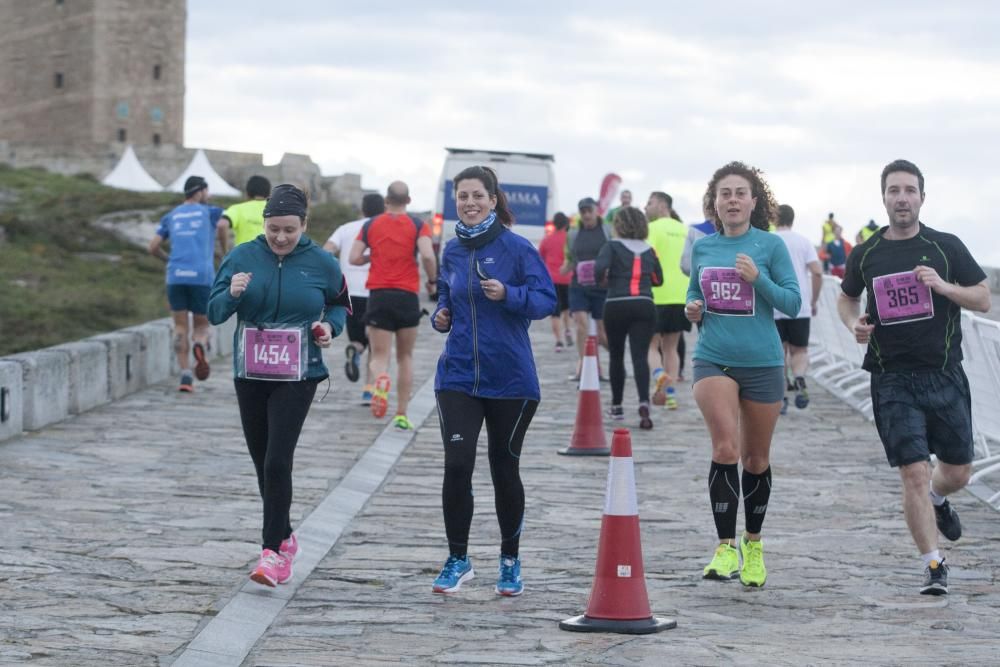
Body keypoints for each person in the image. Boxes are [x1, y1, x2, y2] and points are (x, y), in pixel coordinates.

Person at [837, 159, 990, 595]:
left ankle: (941, 500)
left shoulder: (945, 246)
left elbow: (982, 298)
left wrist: (944, 287)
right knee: (913, 474)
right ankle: (934, 563)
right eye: (893, 190)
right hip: (891, 379)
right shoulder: (866, 253)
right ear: (883, 197)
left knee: (957, 472)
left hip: (943, 374)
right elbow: (846, 300)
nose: (901, 198)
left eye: (909, 190)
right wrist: (854, 326)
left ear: (922, 196)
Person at [208, 184, 348, 587]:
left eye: (290, 229)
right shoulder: (241, 256)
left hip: (298, 373)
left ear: (304, 225)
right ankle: (285, 534)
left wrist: (328, 328)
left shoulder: (322, 262)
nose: (281, 238)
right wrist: (232, 295)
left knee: (277, 460)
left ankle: (271, 554)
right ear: (264, 225)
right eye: (274, 229)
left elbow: (340, 305)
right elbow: (214, 312)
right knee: (261, 461)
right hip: (249, 373)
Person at [430, 165, 556, 596]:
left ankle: (509, 559)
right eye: (462, 196)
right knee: (457, 465)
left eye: (477, 196)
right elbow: (445, 298)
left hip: (512, 380)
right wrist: (440, 316)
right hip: (459, 375)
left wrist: (510, 295)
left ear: (493, 198)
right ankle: (458, 559)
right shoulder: (451, 251)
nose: (469, 203)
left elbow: (546, 300)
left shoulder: (517, 249)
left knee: (504, 467)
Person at [685, 161, 801, 588]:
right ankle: (724, 547)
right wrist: (692, 307)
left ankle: (753, 544)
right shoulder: (703, 247)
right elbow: (695, 293)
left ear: (755, 201)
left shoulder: (770, 247)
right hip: (714, 356)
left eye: (740, 193)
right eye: (724, 193)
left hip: (764, 362)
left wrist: (758, 281)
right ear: (714, 203)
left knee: (756, 458)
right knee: (725, 448)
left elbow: (791, 302)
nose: (732, 200)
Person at [349, 181, 437, 431]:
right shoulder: (419, 225)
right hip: (407, 296)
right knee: (405, 356)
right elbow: (428, 255)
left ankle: (380, 379)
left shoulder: (371, 225)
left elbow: (354, 257)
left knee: (379, 356)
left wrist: (372, 254)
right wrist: (432, 282)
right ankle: (401, 413)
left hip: (379, 295)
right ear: (408, 201)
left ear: (386, 201)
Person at [148, 175, 223, 392]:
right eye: (206, 192)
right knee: (201, 325)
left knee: (180, 326)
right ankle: (199, 343)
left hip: (176, 276)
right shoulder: (210, 211)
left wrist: (168, 260)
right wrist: (222, 250)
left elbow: (152, 247)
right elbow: (222, 227)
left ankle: (185, 376)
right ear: (200, 191)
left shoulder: (170, 216)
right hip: (201, 276)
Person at [594, 207, 663, 429]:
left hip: (616, 303)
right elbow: (658, 279)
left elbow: (599, 269)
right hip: (644, 304)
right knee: (640, 357)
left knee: (616, 355)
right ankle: (644, 403)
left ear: (619, 225)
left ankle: (617, 406)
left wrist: (604, 281)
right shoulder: (650, 250)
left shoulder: (611, 246)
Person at [323, 193, 386, 405]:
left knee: (358, 339)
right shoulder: (385, 227)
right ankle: (369, 391)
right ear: (383, 209)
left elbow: (327, 250)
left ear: (362, 208)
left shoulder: (346, 228)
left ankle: (355, 350)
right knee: (376, 345)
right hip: (377, 291)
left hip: (349, 291)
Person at [773, 204, 822, 414]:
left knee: (778, 352)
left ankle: (782, 396)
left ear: (775, 218)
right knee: (799, 350)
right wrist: (813, 300)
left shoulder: (769, 240)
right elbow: (817, 272)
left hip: (774, 304)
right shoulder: (804, 241)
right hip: (800, 304)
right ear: (792, 219)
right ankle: (799, 377)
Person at [644, 191, 689, 409]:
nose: (646, 207)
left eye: (650, 203)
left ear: (663, 206)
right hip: (681, 295)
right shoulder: (685, 230)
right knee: (671, 347)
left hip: (657, 294)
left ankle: (659, 374)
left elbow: (647, 256)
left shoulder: (652, 229)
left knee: (650, 345)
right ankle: (670, 394)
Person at [560, 197, 610, 381]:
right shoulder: (573, 233)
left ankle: (616, 354)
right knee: (581, 324)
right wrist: (566, 266)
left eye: (589, 210)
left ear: (596, 210)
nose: (587, 215)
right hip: (579, 285)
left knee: (602, 331)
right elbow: (570, 257)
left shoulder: (607, 230)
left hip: (602, 286)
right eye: (583, 211)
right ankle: (584, 367)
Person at [538, 211, 573, 351]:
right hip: (568, 278)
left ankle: (558, 341)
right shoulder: (570, 239)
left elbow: (540, 258)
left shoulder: (547, 239)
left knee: (555, 312)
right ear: (566, 224)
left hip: (551, 279)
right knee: (567, 308)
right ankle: (568, 329)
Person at [216, 175, 271, 255]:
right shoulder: (275, 210)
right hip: (269, 260)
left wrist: (225, 253)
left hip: (243, 260)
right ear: (269, 194)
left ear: (247, 193)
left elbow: (222, 225)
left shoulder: (238, 209)